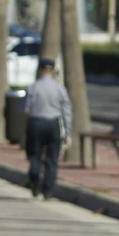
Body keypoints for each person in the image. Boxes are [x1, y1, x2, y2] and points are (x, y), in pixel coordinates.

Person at [22, 57, 71, 199]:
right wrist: (67, 131)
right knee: (52, 159)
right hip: (53, 124)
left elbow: (26, 108)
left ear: (40, 70)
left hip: (36, 123)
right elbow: (66, 110)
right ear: (53, 71)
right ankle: (48, 190)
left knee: (35, 155)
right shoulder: (59, 88)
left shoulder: (33, 87)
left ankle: (34, 181)